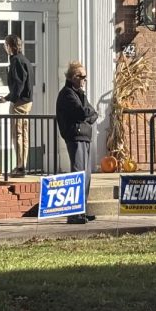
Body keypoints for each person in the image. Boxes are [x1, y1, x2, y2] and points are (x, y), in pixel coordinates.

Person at [56, 61, 99, 224]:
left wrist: (87, 115)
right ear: (73, 77)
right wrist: (87, 115)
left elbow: (93, 113)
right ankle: (74, 214)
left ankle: (82, 210)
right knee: (78, 173)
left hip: (85, 136)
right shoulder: (67, 94)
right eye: (82, 77)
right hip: (75, 137)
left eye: (85, 77)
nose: (84, 80)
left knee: (86, 175)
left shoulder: (80, 93)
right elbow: (82, 112)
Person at [4, 34, 34, 175]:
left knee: (18, 134)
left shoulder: (16, 60)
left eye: (6, 45)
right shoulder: (25, 60)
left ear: (10, 46)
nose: (5, 48)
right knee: (24, 133)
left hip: (20, 102)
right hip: (27, 101)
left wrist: (10, 98)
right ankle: (22, 164)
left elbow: (19, 83)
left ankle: (20, 166)